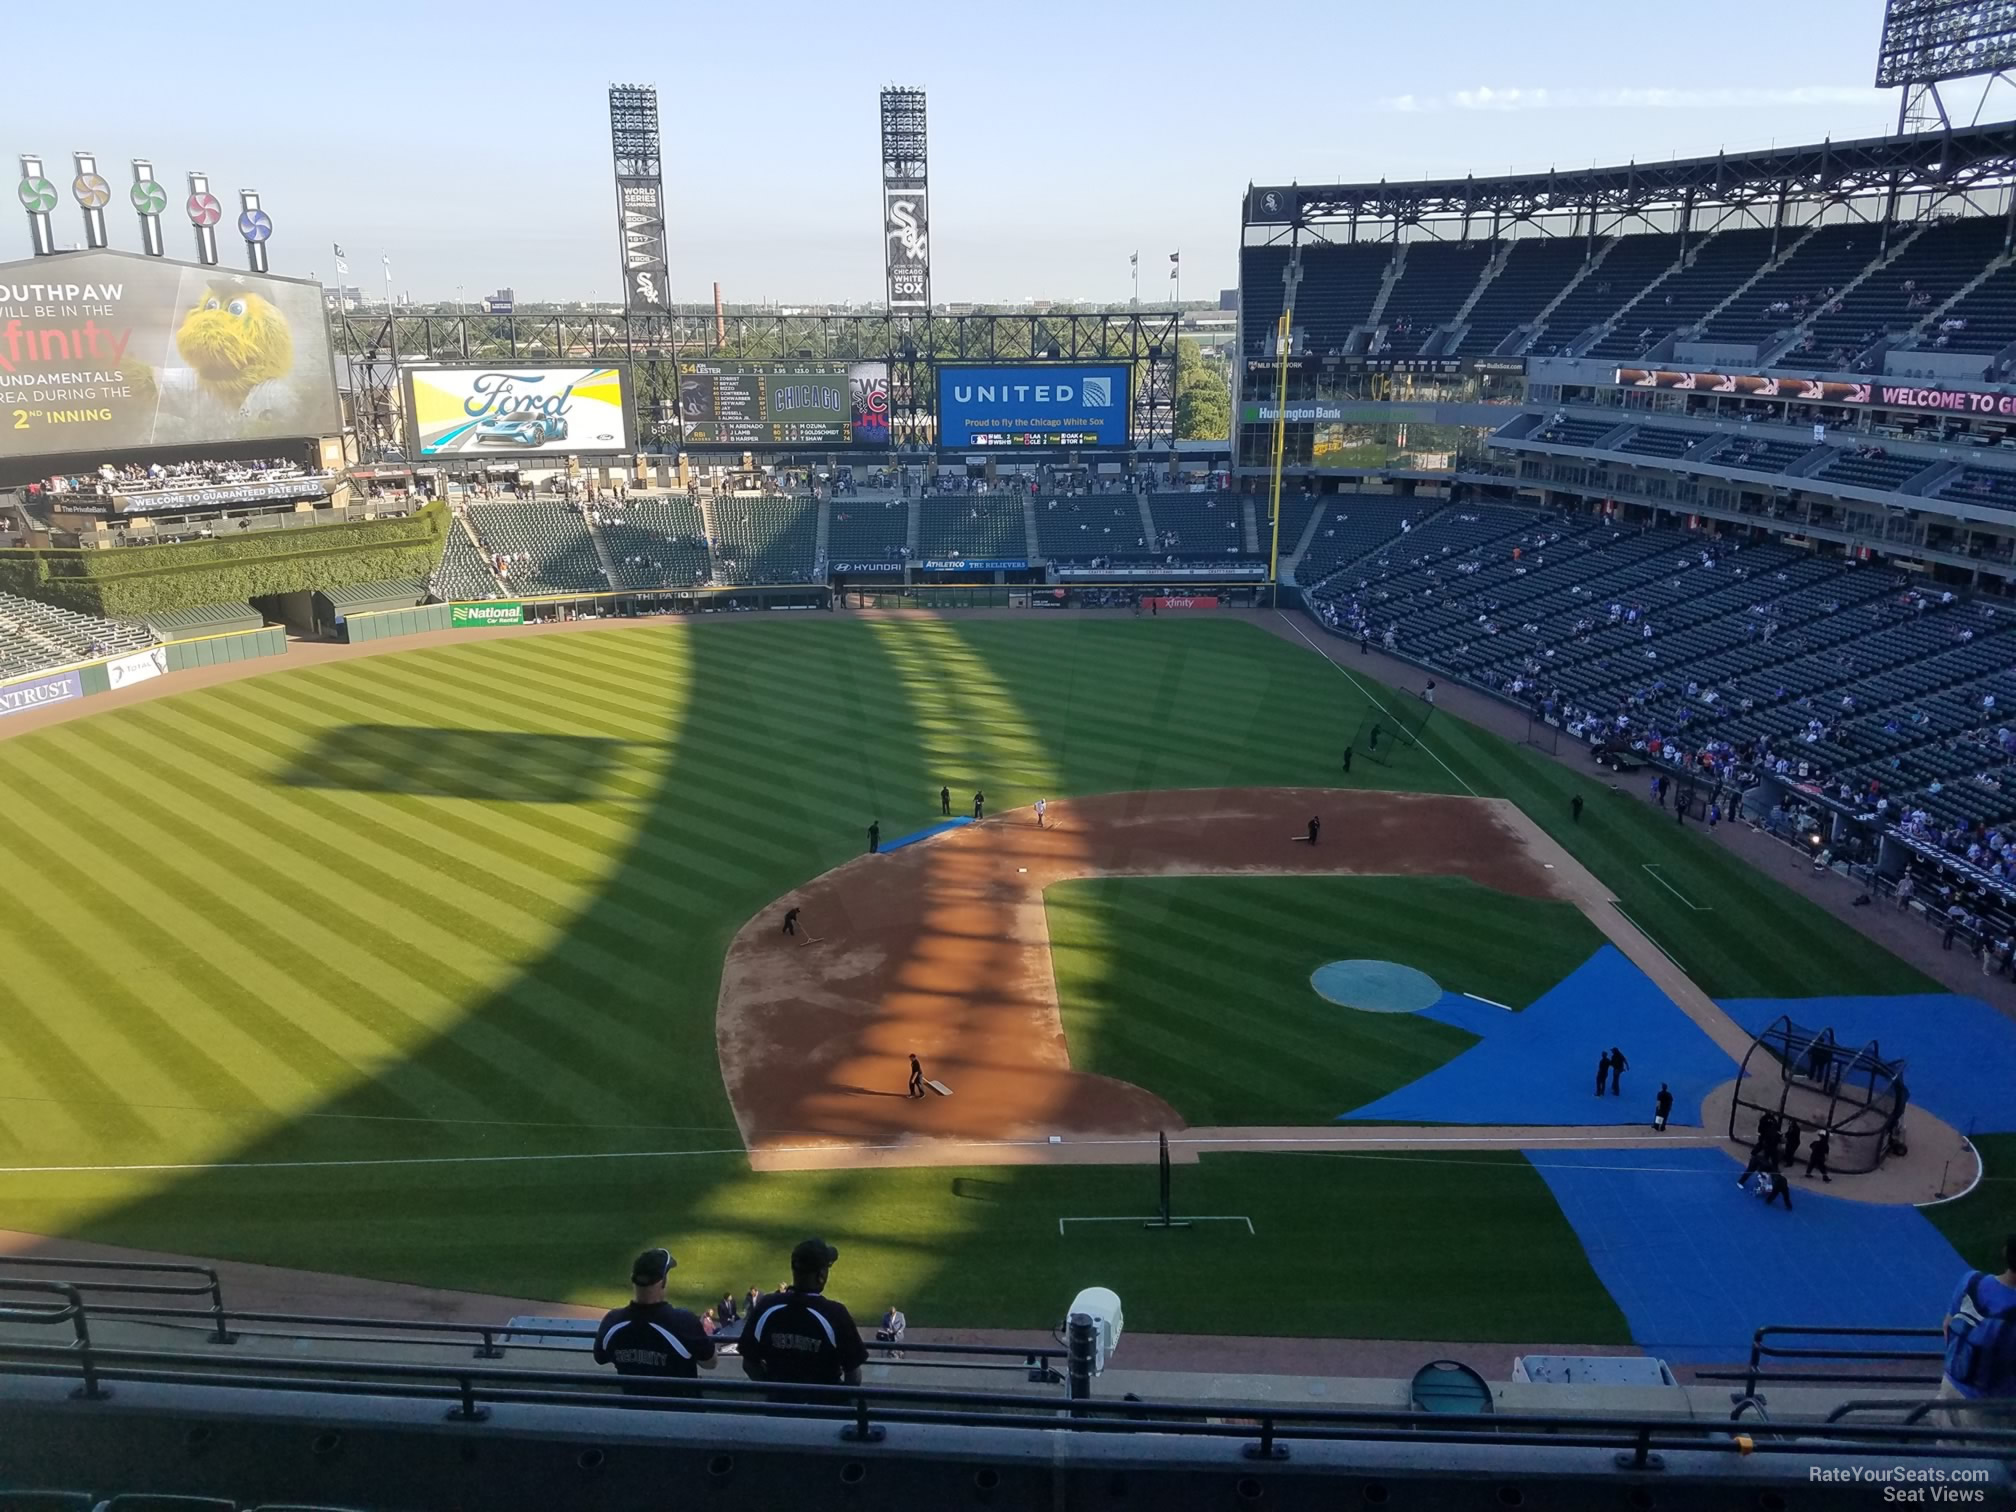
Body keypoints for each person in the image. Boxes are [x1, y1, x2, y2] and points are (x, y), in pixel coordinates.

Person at [741, 1238, 869, 1397]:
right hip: (823, 1413)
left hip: (777, 1411)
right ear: (821, 1275)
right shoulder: (835, 1314)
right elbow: (854, 1377)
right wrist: (835, 1400)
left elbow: (749, 1364)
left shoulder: (767, 1306)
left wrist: (774, 1390)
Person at [592, 1248, 716, 1394]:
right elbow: (711, 1363)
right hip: (682, 1413)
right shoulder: (684, 1322)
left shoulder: (612, 1322)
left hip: (632, 1411)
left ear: (633, 1278)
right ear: (663, 1281)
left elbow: (600, 1357)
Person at [1939, 1235, 2016, 1439]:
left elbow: (1947, 1325)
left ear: (2005, 1253)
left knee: (1946, 1458)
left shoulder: (1971, 1280)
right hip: (1990, 1407)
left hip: (1950, 1387)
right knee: (1992, 1467)